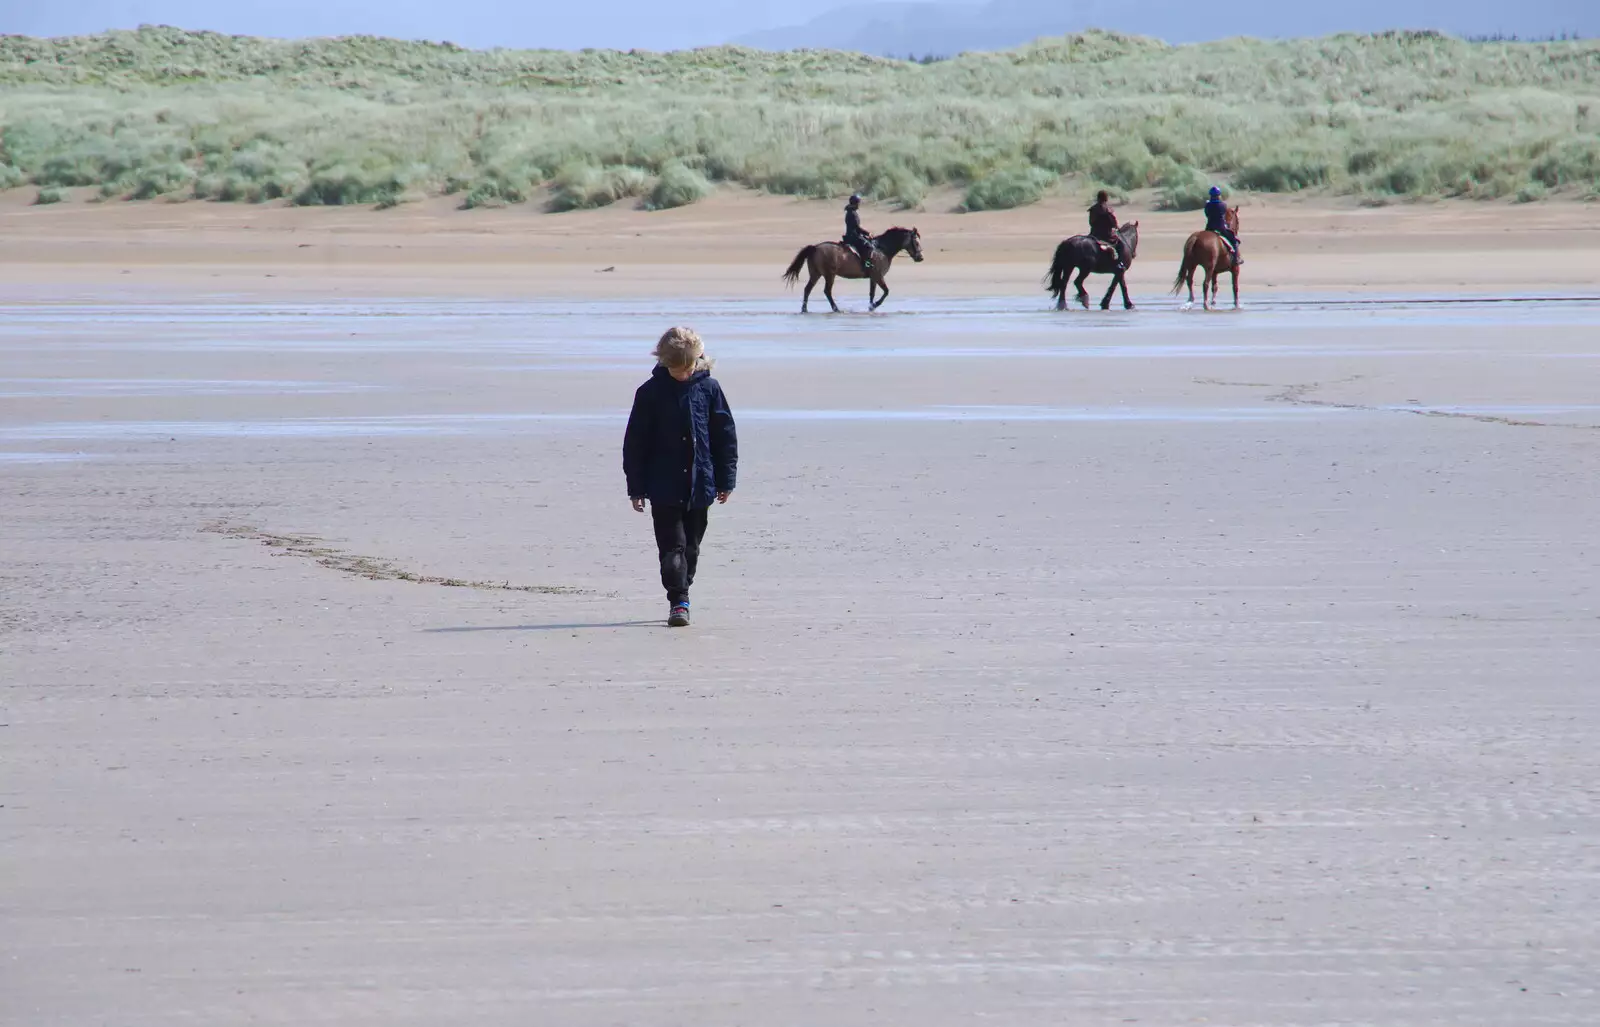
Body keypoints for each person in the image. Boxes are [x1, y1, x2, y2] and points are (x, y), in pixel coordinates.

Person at [623, 326, 738, 627]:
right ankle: (679, 600)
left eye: (685, 368)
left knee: (691, 548)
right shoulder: (649, 394)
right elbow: (635, 443)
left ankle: (683, 586)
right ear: (664, 363)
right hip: (662, 487)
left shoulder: (710, 389)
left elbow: (725, 436)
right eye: (675, 368)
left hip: (701, 485)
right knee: (672, 549)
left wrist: (726, 480)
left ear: (697, 361)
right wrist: (636, 488)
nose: (681, 374)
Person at [1086, 190, 1127, 271]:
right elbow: (1113, 223)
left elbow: (1091, 223)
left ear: (1098, 198)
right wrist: (1116, 228)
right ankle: (1119, 263)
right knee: (1120, 244)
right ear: (1106, 198)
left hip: (1094, 234)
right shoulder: (1108, 210)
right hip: (1107, 235)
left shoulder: (1093, 209)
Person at [1204, 186, 1242, 265]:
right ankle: (1236, 259)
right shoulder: (1223, 205)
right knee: (1234, 240)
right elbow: (1223, 215)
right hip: (1220, 227)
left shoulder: (1207, 205)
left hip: (1209, 228)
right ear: (1218, 195)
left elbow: (1207, 215)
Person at [843, 193, 875, 272]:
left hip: (851, 235)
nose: (859, 205)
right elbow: (857, 228)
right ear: (855, 203)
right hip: (853, 236)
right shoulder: (853, 214)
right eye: (858, 203)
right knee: (869, 247)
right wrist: (868, 233)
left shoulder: (850, 212)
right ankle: (866, 264)